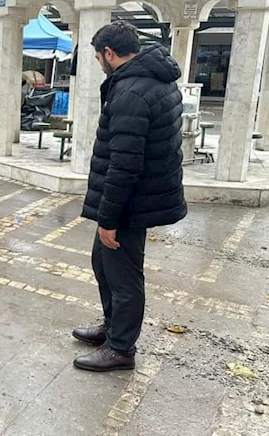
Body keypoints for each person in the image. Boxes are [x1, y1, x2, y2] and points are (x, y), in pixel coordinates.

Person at [72, 21, 187, 372]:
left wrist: (109, 219)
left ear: (109, 53)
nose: (98, 64)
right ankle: (113, 327)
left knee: (123, 276)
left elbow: (124, 164)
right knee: (102, 264)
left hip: (129, 204)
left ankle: (121, 348)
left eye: (97, 57)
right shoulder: (151, 80)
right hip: (137, 197)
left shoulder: (132, 93)